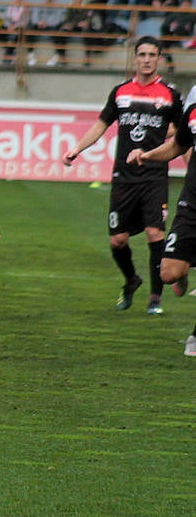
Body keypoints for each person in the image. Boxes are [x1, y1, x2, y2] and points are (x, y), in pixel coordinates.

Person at [63, 38, 181, 314]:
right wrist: (76, 149)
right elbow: (101, 124)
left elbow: (178, 131)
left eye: (152, 54)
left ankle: (155, 298)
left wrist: (155, 141)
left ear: (159, 59)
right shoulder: (121, 93)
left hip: (154, 174)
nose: (147, 59)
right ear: (135, 58)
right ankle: (131, 281)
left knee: (155, 233)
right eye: (142, 54)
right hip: (124, 176)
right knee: (118, 239)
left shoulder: (170, 94)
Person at [126, 80, 196, 355]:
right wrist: (148, 155)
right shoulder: (193, 101)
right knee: (168, 273)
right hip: (192, 201)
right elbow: (179, 145)